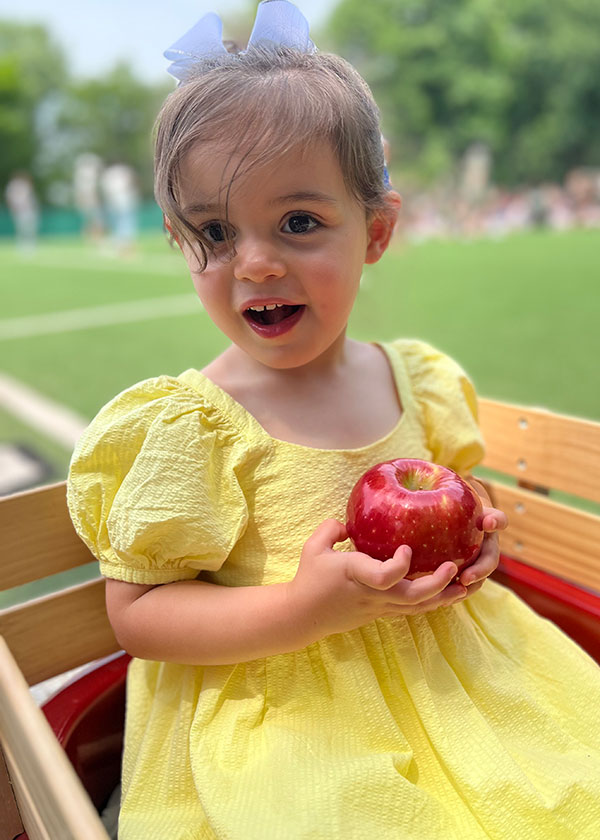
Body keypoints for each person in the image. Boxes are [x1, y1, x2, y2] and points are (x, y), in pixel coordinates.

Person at [66, 3, 600, 838]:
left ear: (376, 231)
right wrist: (303, 610)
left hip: (452, 667)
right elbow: (138, 618)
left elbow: (461, 492)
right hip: (288, 703)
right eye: (214, 230)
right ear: (180, 241)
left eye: (300, 222)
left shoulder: (413, 381)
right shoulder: (192, 427)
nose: (255, 261)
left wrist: (475, 541)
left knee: (565, 776)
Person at [4, 171, 39, 254]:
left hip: (29, 210)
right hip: (20, 211)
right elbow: (10, 198)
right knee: (21, 228)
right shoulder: (13, 186)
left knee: (30, 228)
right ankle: (22, 245)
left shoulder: (26, 185)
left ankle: (30, 245)